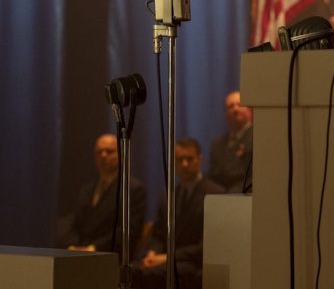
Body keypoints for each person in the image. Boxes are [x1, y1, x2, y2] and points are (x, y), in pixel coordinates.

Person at [137, 137, 225, 289]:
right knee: (131, 269)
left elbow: (207, 246)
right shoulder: (168, 195)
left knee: (148, 274)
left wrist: (168, 257)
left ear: (200, 159)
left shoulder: (215, 194)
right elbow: (158, 233)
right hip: (165, 259)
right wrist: (153, 252)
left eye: (189, 159)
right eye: (179, 159)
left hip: (193, 262)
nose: (184, 164)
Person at [58, 133, 147, 256]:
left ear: (122, 154)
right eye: (99, 152)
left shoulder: (132, 189)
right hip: (79, 253)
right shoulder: (87, 190)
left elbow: (128, 231)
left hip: (110, 257)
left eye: (109, 151)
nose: (103, 155)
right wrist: (72, 244)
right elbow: (70, 220)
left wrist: (93, 248)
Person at [208, 91, 253, 192]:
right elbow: (213, 175)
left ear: (249, 110)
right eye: (230, 106)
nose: (235, 109)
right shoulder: (217, 144)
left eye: (239, 105)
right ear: (225, 112)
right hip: (220, 196)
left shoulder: (258, 139)